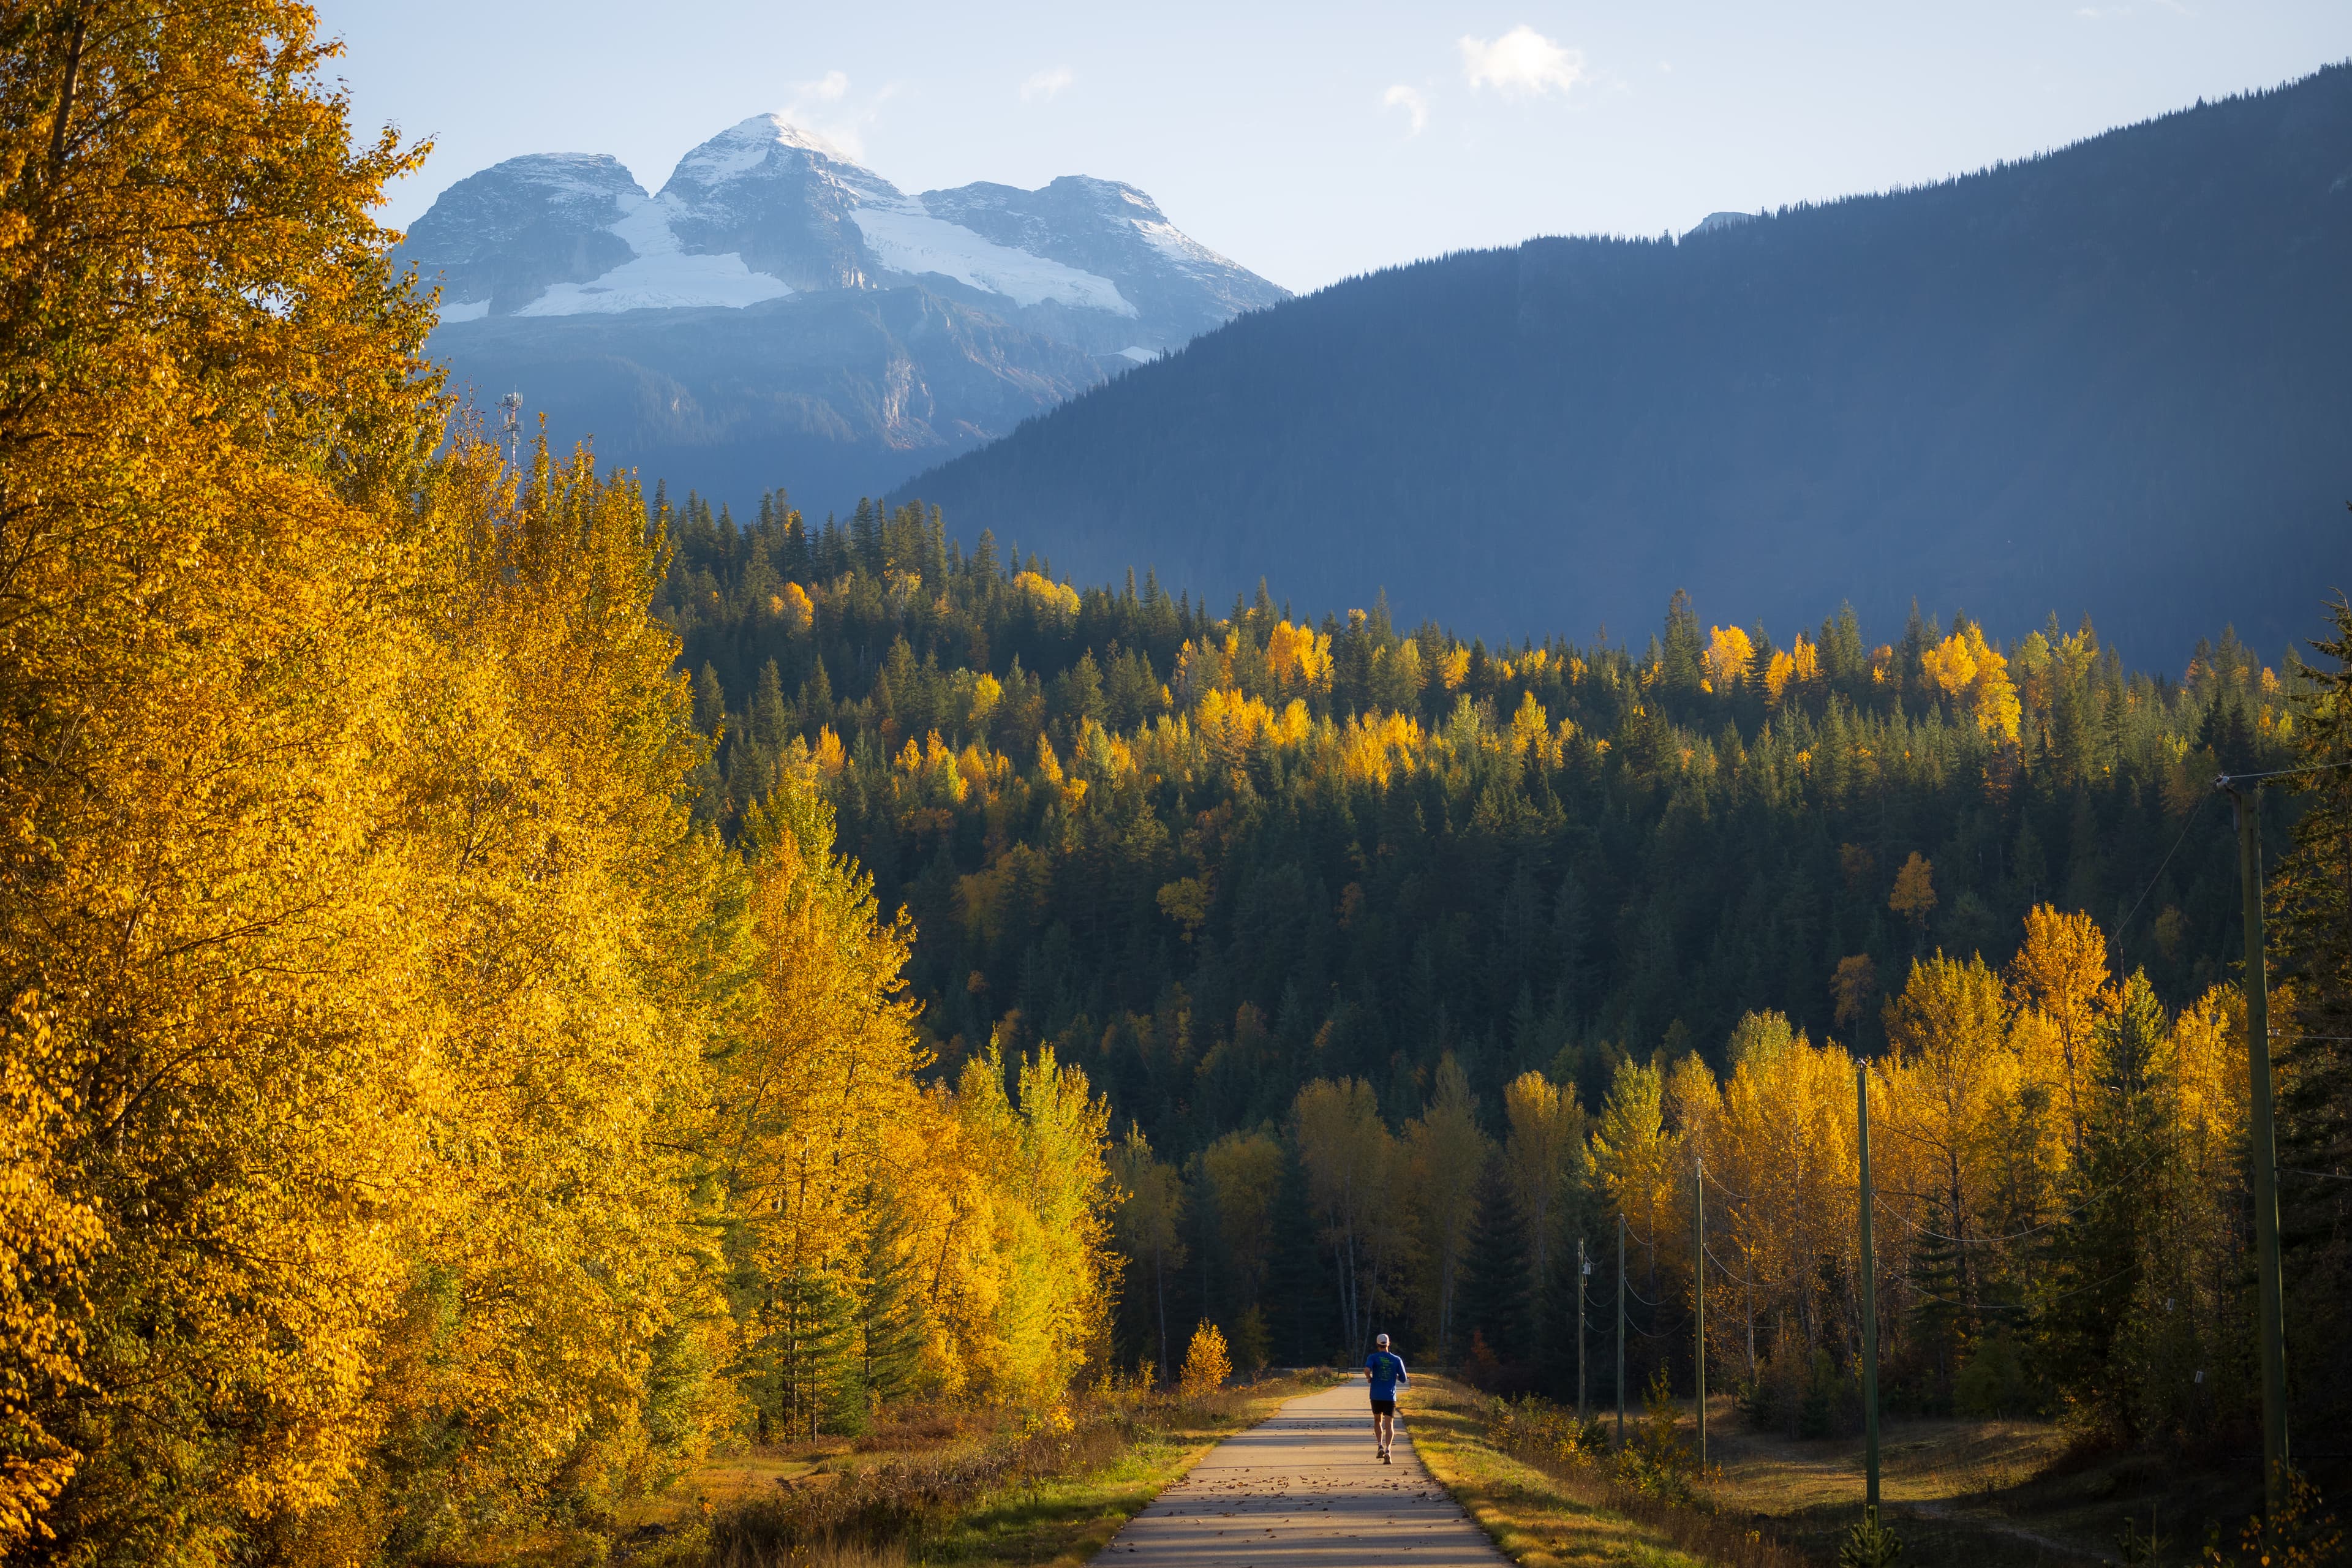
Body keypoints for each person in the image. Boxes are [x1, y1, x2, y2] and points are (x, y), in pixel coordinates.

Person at [1365, 1333, 1408, 1461]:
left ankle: (1380, 1446)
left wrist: (1369, 1378)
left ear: (1378, 1345)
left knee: (1377, 1420)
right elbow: (1404, 1379)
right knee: (1389, 1424)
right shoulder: (1397, 1359)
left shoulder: (1373, 1357)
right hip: (1390, 1396)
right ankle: (1389, 1449)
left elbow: (1367, 1369)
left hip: (1376, 1395)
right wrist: (1395, 1376)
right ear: (1389, 1344)